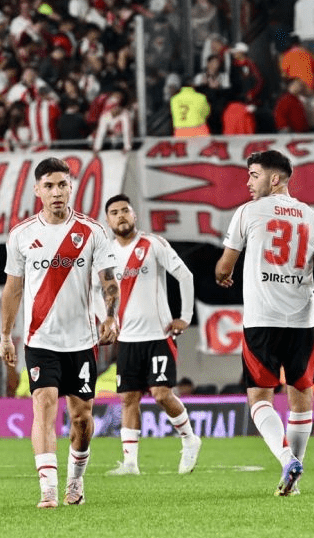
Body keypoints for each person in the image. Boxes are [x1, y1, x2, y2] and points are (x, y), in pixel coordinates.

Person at [215, 150, 314, 496]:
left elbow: (224, 266)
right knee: (301, 395)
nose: (248, 182)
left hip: (262, 320)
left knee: (259, 397)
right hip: (302, 322)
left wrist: (223, 275)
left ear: (274, 179)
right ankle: (294, 482)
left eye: (254, 175)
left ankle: (287, 459)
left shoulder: (248, 212)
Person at [0, 157, 119, 508]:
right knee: (44, 404)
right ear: (37, 190)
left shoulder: (93, 231)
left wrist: (111, 317)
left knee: (81, 419)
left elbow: (108, 280)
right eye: (49, 186)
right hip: (40, 339)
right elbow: (13, 289)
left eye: (62, 185)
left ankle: (75, 481)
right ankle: (48, 488)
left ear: (71, 188)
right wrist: (5, 335)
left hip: (82, 340)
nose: (56, 192)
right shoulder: (21, 235)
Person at [101, 194, 201, 476]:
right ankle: (130, 464)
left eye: (125, 210)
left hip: (158, 335)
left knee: (161, 394)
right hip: (127, 339)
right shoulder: (106, 254)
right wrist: (105, 321)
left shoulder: (153, 244)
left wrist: (185, 316)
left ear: (134, 215)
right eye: (114, 213)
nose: (121, 216)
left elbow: (185, 276)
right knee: (128, 398)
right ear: (108, 221)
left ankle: (189, 439)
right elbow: (101, 292)